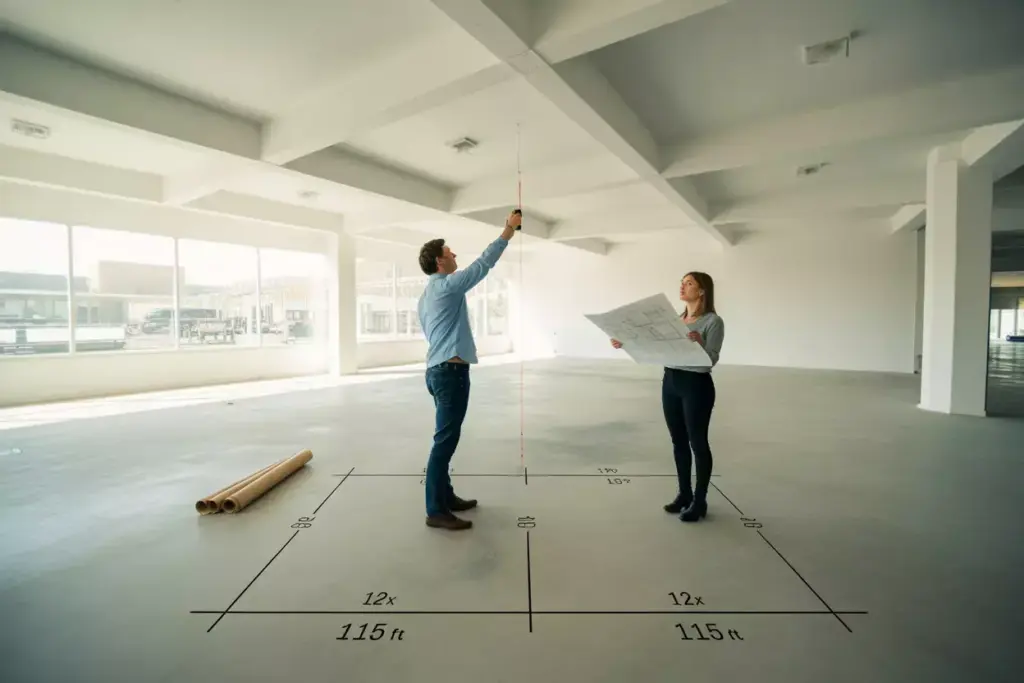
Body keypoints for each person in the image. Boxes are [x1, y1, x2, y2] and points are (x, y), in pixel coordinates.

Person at [417, 210, 521, 530]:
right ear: (439, 262)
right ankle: (435, 510)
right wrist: (507, 231)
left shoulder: (427, 294)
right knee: (444, 441)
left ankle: (446, 497)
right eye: (449, 253)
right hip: (449, 373)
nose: (454, 255)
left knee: (446, 438)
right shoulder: (447, 286)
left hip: (438, 371)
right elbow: (482, 265)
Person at [610, 272, 724, 523]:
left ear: (702, 290)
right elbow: (654, 347)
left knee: (698, 442)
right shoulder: (676, 319)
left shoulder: (712, 321)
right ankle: (684, 495)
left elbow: (712, 358)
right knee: (678, 442)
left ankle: (700, 500)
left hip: (696, 385)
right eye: (682, 282)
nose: (682, 286)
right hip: (670, 382)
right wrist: (625, 343)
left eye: (689, 283)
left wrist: (700, 343)